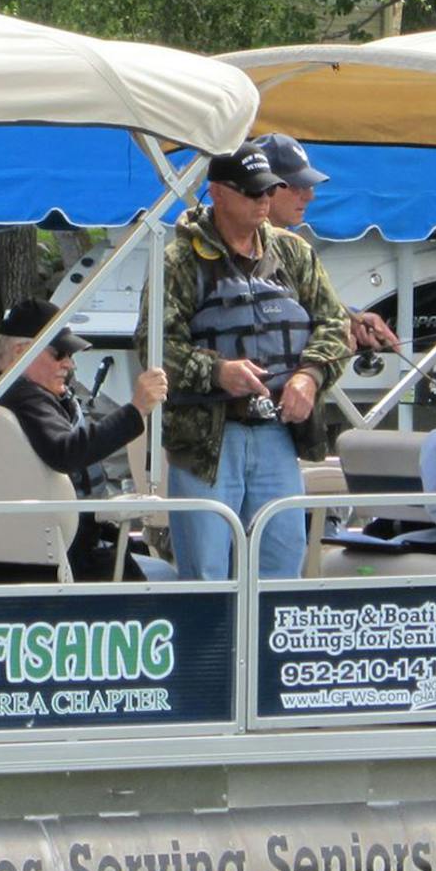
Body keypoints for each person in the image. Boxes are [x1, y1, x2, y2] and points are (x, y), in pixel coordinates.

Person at [143, 144, 350, 581]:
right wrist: (218, 372)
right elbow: (154, 347)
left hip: (278, 436)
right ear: (217, 192)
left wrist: (308, 378)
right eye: (252, 192)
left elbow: (335, 326)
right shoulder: (178, 262)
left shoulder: (294, 254)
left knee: (280, 562)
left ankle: (265, 649)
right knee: (206, 574)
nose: (262, 201)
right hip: (206, 448)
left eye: (268, 191)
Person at [0, 300, 167, 583]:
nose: (69, 364)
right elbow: (67, 452)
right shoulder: (23, 398)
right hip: (61, 560)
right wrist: (136, 409)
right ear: (21, 352)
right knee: (166, 576)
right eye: (60, 353)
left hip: (7, 559)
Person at [256, 133, 397, 356]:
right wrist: (335, 335)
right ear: (263, 187)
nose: (309, 196)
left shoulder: (291, 249)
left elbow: (304, 302)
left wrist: (353, 318)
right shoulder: (236, 248)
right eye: (296, 186)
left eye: (309, 186)